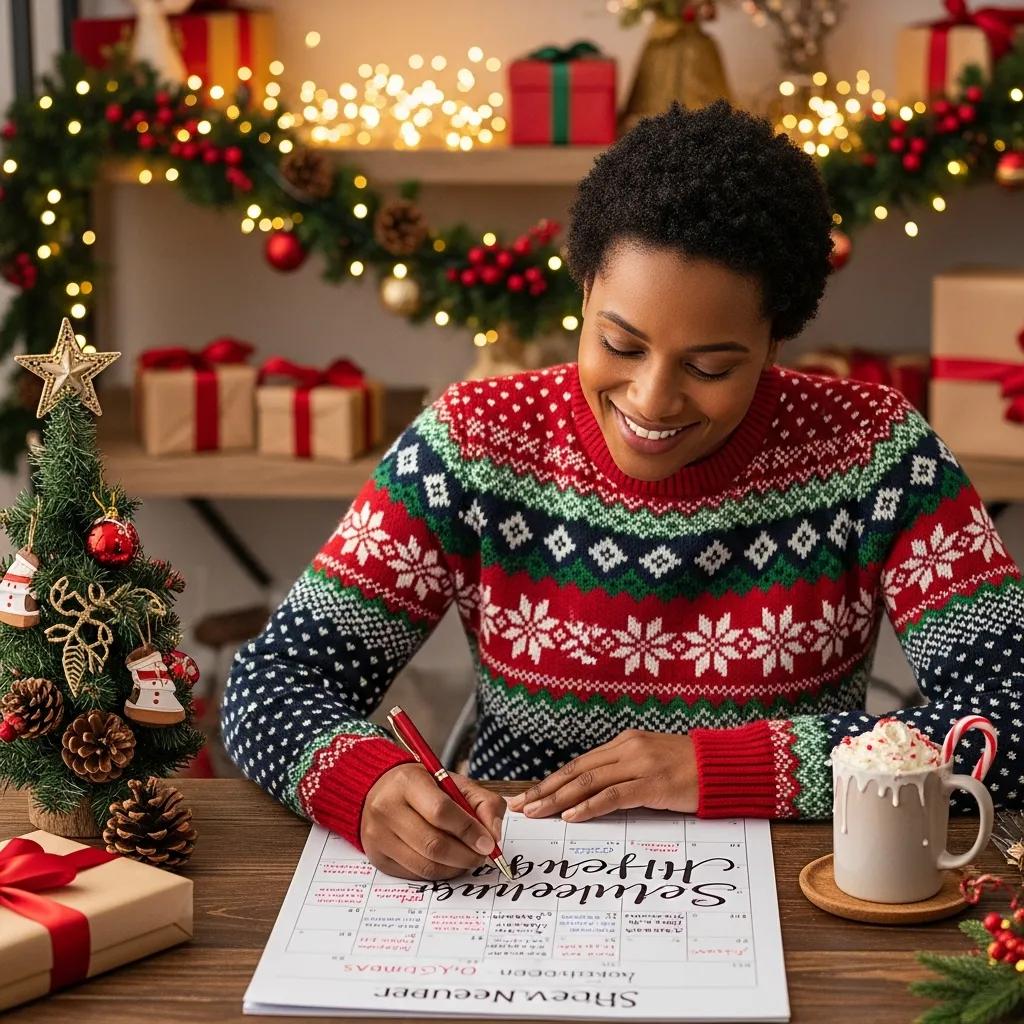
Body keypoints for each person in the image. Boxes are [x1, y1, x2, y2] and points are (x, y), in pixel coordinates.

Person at [221, 100, 1024, 882]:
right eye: (620, 344)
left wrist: (721, 767)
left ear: (775, 339)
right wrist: (365, 784)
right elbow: (272, 682)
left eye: (709, 367)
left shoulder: (876, 453)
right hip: (514, 884)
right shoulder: (471, 443)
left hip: (796, 896)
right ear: (583, 295)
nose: (651, 399)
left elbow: (1012, 713)